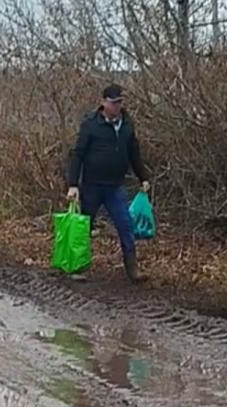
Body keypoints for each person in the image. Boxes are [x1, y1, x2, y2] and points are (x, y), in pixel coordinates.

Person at [66, 84, 150, 283]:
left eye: (120, 102)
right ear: (104, 102)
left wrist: (143, 177)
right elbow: (77, 155)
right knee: (83, 226)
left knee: (125, 225)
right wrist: (73, 184)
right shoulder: (90, 125)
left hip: (115, 186)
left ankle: (132, 269)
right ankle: (78, 266)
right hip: (92, 186)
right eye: (113, 103)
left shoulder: (127, 125)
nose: (117, 106)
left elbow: (134, 154)